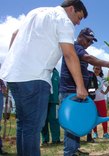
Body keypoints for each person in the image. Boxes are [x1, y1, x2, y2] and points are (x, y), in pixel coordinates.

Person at [0, 1, 89, 155]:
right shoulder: (63, 20)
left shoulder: (36, 11)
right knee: (33, 126)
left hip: (14, 74)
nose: (78, 22)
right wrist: (80, 86)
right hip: (35, 76)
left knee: (24, 124)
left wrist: (14, 61)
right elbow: (69, 53)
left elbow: (15, 34)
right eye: (79, 17)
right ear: (71, 9)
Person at [59, 27, 109, 156]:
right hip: (70, 92)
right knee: (71, 123)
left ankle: (74, 149)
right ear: (80, 37)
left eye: (91, 42)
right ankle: (69, 152)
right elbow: (89, 58)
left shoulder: (80, 49)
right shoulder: (75, 47)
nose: (89, 44)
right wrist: (107, 64)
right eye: (87, 40)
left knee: (76, 121)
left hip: (77, 92)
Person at [41, 68, 61, 145]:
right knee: (43, 121)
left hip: (55, 101)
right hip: (43, 101)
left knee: (55, 120)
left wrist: (59, 99)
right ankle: (45, 140)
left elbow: (59, 87)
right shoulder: (42, 70)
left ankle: (56, 139)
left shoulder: (56, 73)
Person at [91, 66, 109, 140]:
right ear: (93, 69)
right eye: (95, 68)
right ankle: (95, 133)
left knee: (104, 116)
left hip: (101, 100)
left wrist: (105, 92)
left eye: (98, 69)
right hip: (92, 101)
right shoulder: (90, 78)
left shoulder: (102, 78)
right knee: (93, 117)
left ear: (100, 70)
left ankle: (105, 133)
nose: (96, 70)